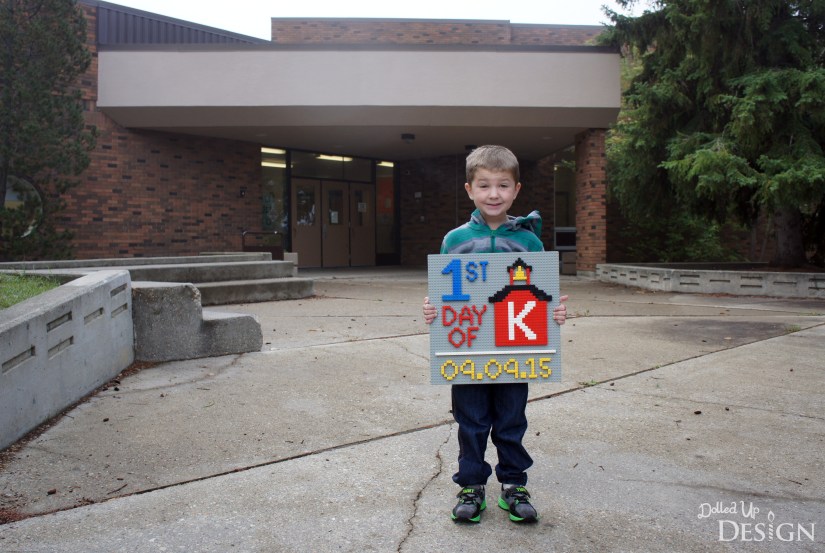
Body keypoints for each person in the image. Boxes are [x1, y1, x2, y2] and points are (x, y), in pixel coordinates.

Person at [422, 145, 568, 524]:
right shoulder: (454, 240)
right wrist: (433, 310)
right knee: (470, 422)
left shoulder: (530, 242)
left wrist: (554, 313)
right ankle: (470, 485)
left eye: (503, 185)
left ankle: (513, 484)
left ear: (516, 190)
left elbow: (542, 295)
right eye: (484, 185)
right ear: (469, 189)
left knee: (511, 420)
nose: (493, 194)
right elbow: (445, 294)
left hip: (515, 349)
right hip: (466, 350)